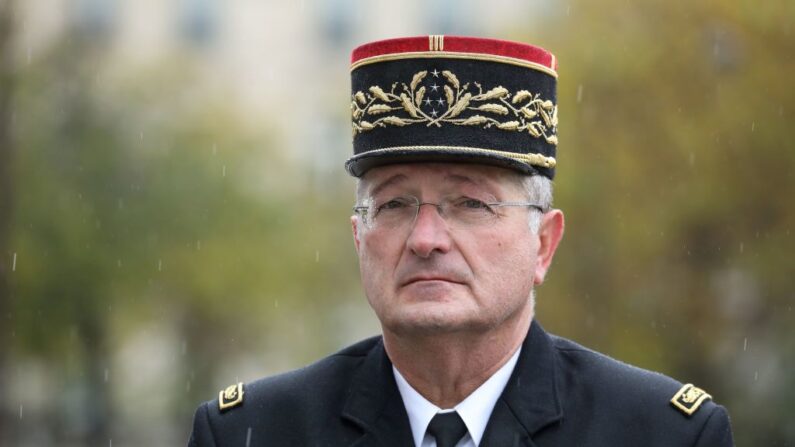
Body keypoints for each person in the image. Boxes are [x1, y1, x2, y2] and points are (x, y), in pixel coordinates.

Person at [188, 35, 734, 447]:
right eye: (395, 204)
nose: (426, 239)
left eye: (472, 204)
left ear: (543, 244)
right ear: (359, 237)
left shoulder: (661, 434)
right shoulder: (253, 432)